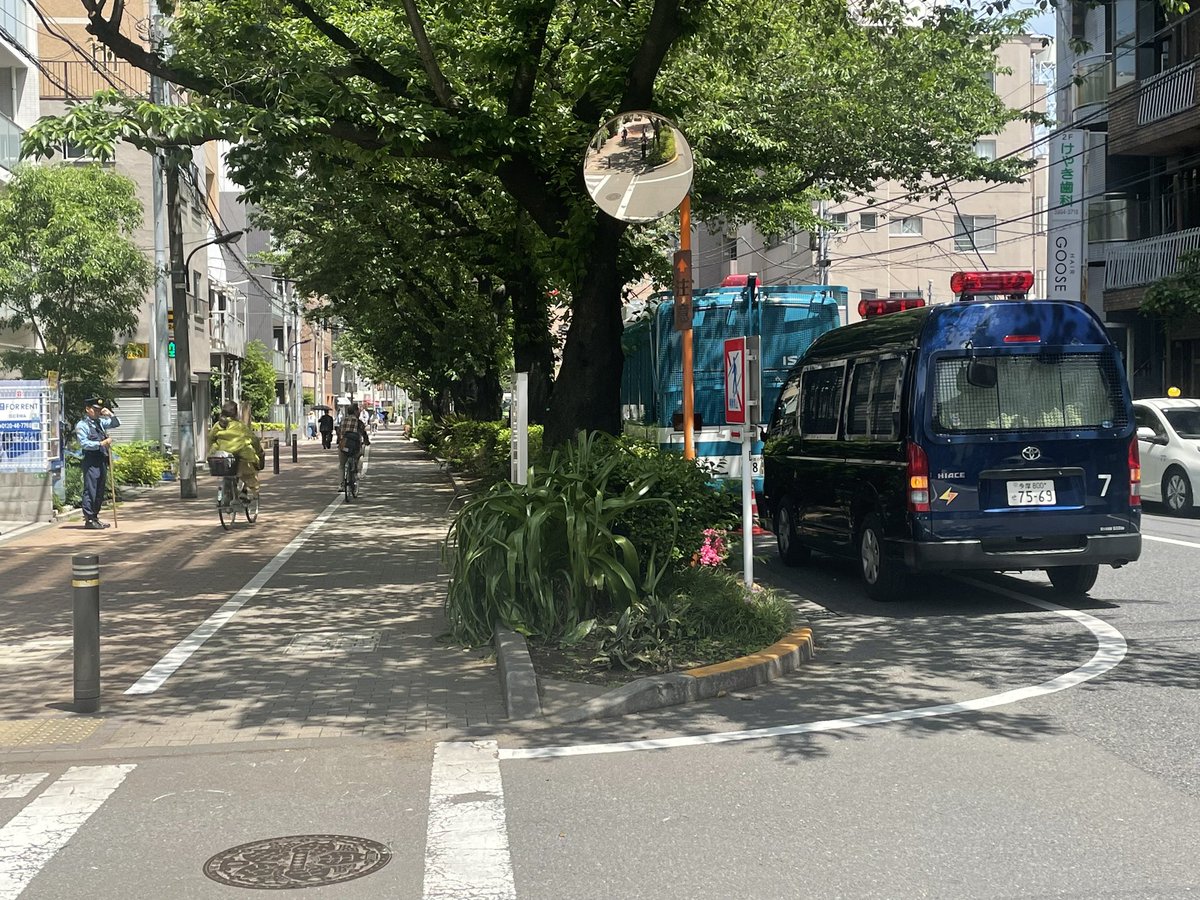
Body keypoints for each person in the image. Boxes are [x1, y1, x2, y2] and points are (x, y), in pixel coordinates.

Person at [74, 398, 120, 530]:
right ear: (88, 409)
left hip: (101, 459)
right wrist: (101, 444)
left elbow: (116, 423)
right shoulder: (82, 425)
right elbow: (84, 443)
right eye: (95, 409)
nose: (97, 412)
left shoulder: (99, 422)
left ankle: (95, 517)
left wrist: (110, 414)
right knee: (91, 490)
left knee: (99, 490)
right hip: (91, 460)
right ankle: (89, 519)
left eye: (99, 410)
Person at [207, 401, 265, 499]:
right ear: (236, 413)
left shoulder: (218, 425)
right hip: (242, 456)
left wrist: (215, 447)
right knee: (251, 471)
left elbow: (210, 438)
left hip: (222, 458)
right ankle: (246, 491)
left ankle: (228, 495)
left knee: (230, 472)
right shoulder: (240, 426)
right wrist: (259, 452)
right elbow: (254, 440)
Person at [338, 403, 371, 489]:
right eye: (358, 411)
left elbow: (339, 432)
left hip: (343, 445)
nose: (359, 412)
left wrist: (339, 441)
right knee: (360, 458)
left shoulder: (342, 420)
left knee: (341, 465)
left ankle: (341, 485)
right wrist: (366, 441)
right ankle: (357, 474)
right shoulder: (359, 422)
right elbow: (363, 434)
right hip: (354, 447)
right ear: (355, 411)